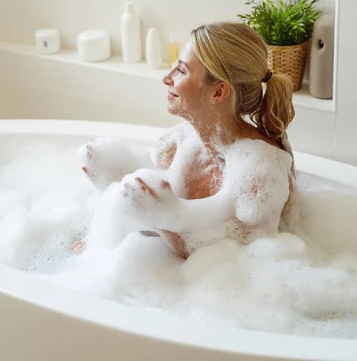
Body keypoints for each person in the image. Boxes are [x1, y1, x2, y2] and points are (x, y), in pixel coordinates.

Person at [78, 22, 297, 259]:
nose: (166, 78)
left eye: (181, 71)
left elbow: (243, 263)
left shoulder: (259, 172)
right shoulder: (177, 142)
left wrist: (166, 215)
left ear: (218, 93)